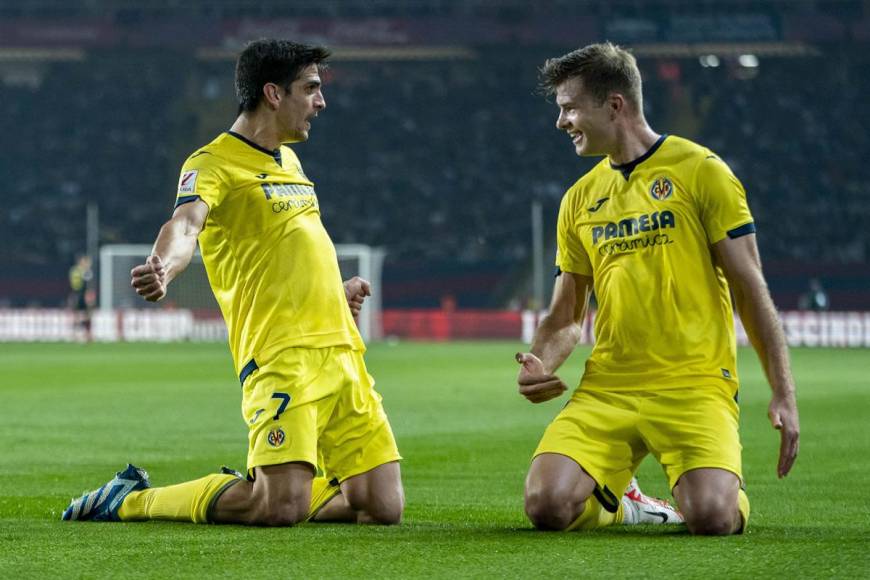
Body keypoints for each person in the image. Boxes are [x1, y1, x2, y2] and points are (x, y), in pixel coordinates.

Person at [63, 39, 404, 526]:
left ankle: (280, 477)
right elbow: (185, 225)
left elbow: (290, 245)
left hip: (341, 349)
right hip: (282, 354)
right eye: (310, 88)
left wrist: (334, 291)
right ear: (273, 93)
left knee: (382, 505)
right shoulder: (212, 162)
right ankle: (131, 500)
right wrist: (164, 265)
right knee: (278, 508)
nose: (321, 101)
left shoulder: (289, 161)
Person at [516, 43, 799, 535]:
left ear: (615, 104)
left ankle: (723, 490)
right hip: (610, 386)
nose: (562, 121)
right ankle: (624, 503)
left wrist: (783, 391)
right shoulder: (578, 199)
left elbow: (751, 290)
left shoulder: (701, 170)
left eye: (569, 107)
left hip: (694, 384)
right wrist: (542, 361)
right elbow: (565, 317)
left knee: (712, 517)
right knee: (547, 506)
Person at [68, 254, 94, 343]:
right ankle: (76, 335)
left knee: (87, 315)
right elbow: (76, 284)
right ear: (81, 261)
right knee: (78, 315)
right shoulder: (77, 271)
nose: (86, 263)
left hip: (84, 294)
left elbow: (89, 284)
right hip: (78, 294)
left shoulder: (84, 271)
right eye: (85, 261)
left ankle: (87, 335)